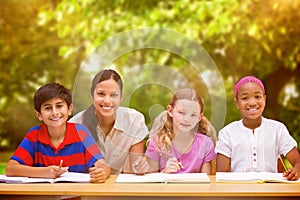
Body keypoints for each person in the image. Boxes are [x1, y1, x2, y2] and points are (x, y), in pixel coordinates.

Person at [5, 82, 110, 183]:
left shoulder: (81, 132)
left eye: (59, 106)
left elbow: (103, 165)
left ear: (69, 109)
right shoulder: (34, 135)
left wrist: (102, 173)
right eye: (48, 108)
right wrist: (44, 172)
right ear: (39, 115)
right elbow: (11, 168)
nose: (55, 112)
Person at [216, 75, 300, 180]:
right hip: (238, 192)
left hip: (270, 192)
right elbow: (221, 176)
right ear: (237, 103)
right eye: (245, 98)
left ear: (264, 99)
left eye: (257, 97)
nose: (252, 103)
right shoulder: (227, 133)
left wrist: (296, 171)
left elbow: (297, 163)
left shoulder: (277, 129)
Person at [69, 69, 149, 174]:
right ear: (92, 95)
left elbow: (135, 167)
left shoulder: (134, 120)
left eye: (113, 95)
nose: (107, 101)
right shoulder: (75, 124)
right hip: (88, 185)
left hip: (119, 186)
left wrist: (140, 166)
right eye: (101, 94)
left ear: (121, 97)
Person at [134, 88, 216, 174]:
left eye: (193, 115)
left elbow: (206, 181)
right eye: (181, 112)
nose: (187, 119)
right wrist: (165, 172)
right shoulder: (158, 142)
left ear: (199, 117)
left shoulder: (205, 144)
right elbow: (151, 182)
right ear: (170, 111)